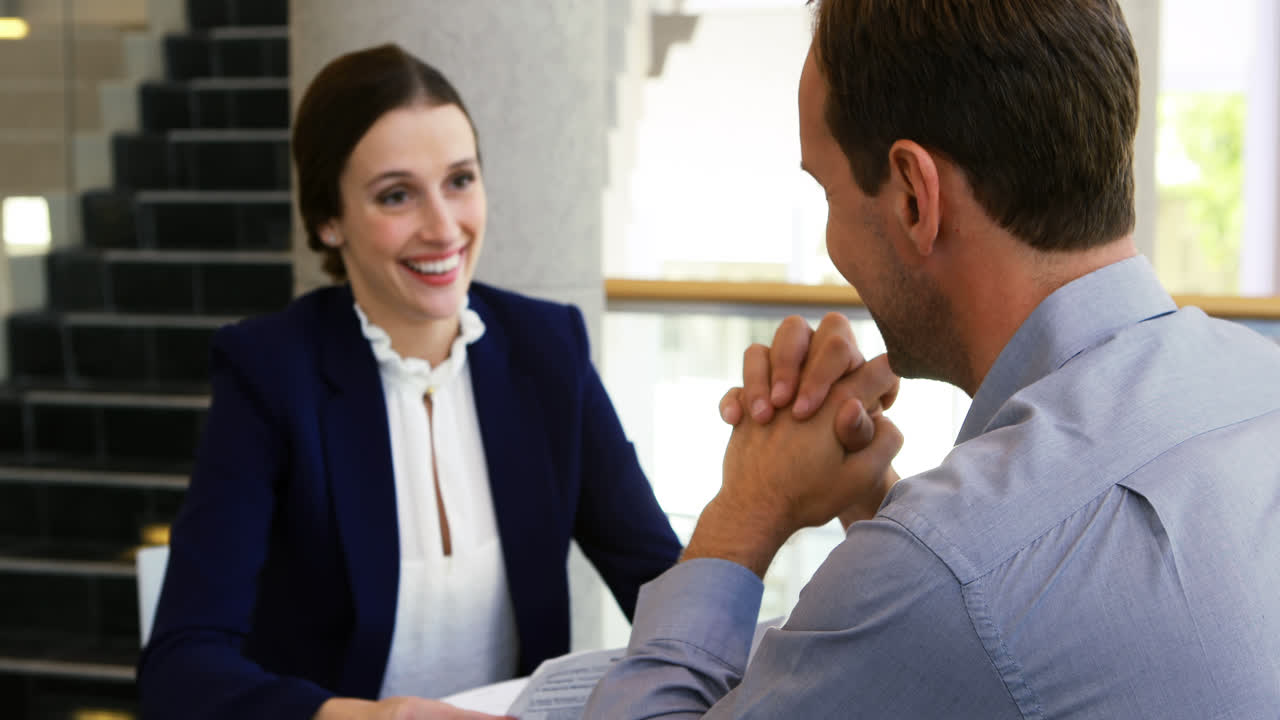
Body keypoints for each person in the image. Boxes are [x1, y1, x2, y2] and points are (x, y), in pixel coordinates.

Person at [586, 0, 1280, 717]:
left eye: (827, 190)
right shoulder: (1259, 387)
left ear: (915, 197)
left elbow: (969, 594)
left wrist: (746, 509)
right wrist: (877, 509)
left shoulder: (946, 570)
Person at [136, 44, 682, 720]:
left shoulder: (548, 350)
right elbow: (179, 670)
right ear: (328, 220)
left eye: (460, 180)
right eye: (397, 195)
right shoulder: (270, 374)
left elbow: (665, 592)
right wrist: (373, 719)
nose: (444, 227)